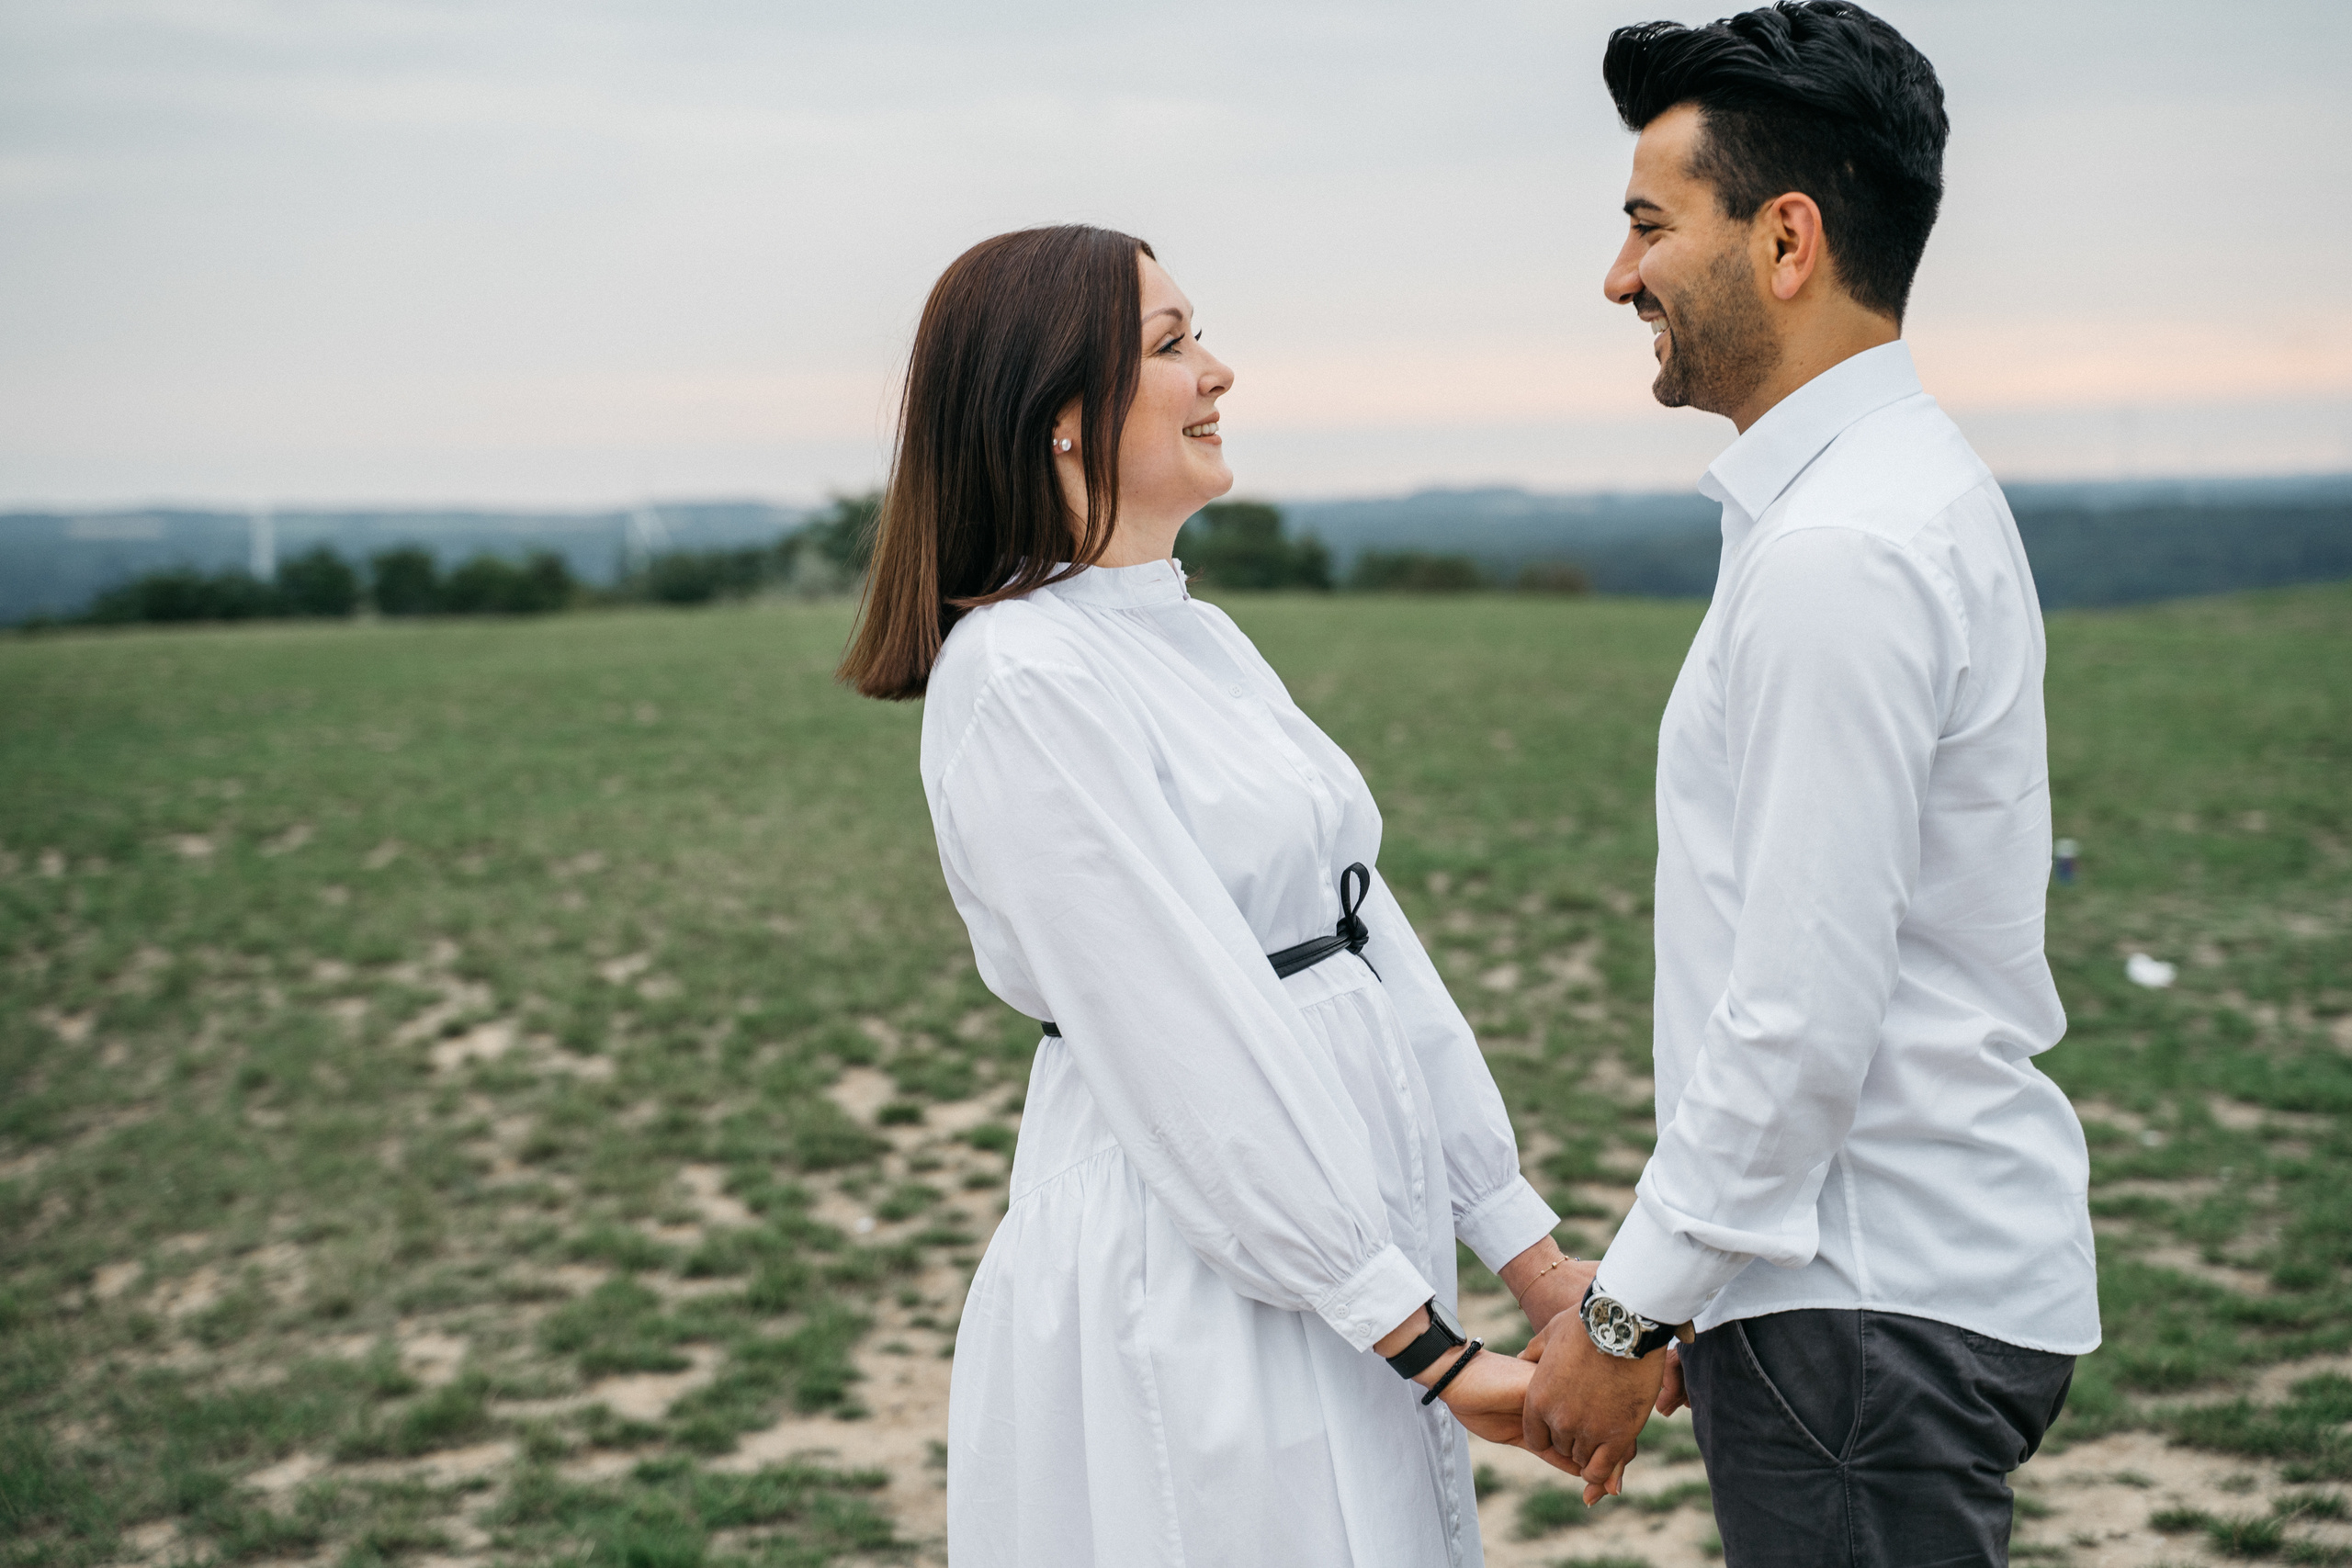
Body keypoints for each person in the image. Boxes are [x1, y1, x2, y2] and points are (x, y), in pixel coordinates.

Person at [840, 224, 1590, 1568]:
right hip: (1198, 1251)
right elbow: (1178, 1041)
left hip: (1343, 1242)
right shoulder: (1024, 679)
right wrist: (1425, 1346)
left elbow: (1364, 942)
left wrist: (1530, 1259)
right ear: (1060, 415)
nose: (1219, 372)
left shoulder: (1197, 634)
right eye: (1173, 345)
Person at [1517, 5, 2100, 1562]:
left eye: (1651, 226)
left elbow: (1799, 1013)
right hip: (1882, 1292)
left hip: (1860, 1304)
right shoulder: (1893, 490)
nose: (1619, 276)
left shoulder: (1842, 549)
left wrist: (1632, 1312)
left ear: (1787, 240)